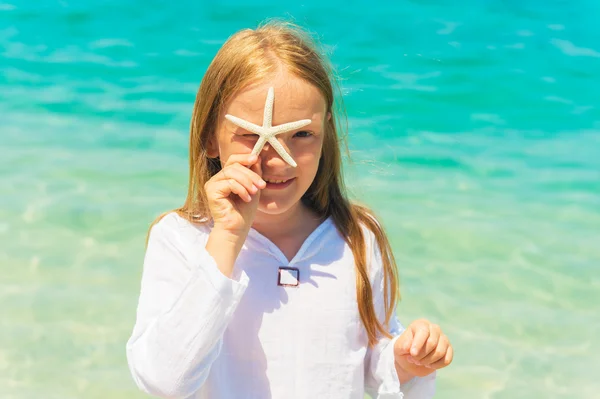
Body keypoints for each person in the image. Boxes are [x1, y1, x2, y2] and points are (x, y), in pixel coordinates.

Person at [126, 20, 453, 399]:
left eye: (301, 135)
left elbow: (364, 362)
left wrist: (405, 361)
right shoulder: (181, 239)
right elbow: (165, 381)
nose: (278, 160)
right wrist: (228, 238)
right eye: (252, 134)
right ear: (211, 138)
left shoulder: (358, 237)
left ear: (326, 132)